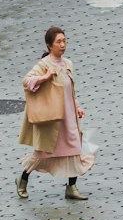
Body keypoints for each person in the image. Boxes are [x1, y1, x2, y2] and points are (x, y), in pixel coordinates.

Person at [17, 25, 94, 200]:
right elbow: (26, 81)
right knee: (43, 153)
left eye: (64, 41)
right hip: (52, 119)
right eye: (59, 41)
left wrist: (77, 106)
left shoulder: (68, 64)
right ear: (49, 46)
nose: (63, 44)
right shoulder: (44, 65)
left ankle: (71, 187)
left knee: (75, 148)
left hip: (69, 116)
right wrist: (45, 77)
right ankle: (22, 179)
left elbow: (69, 90)